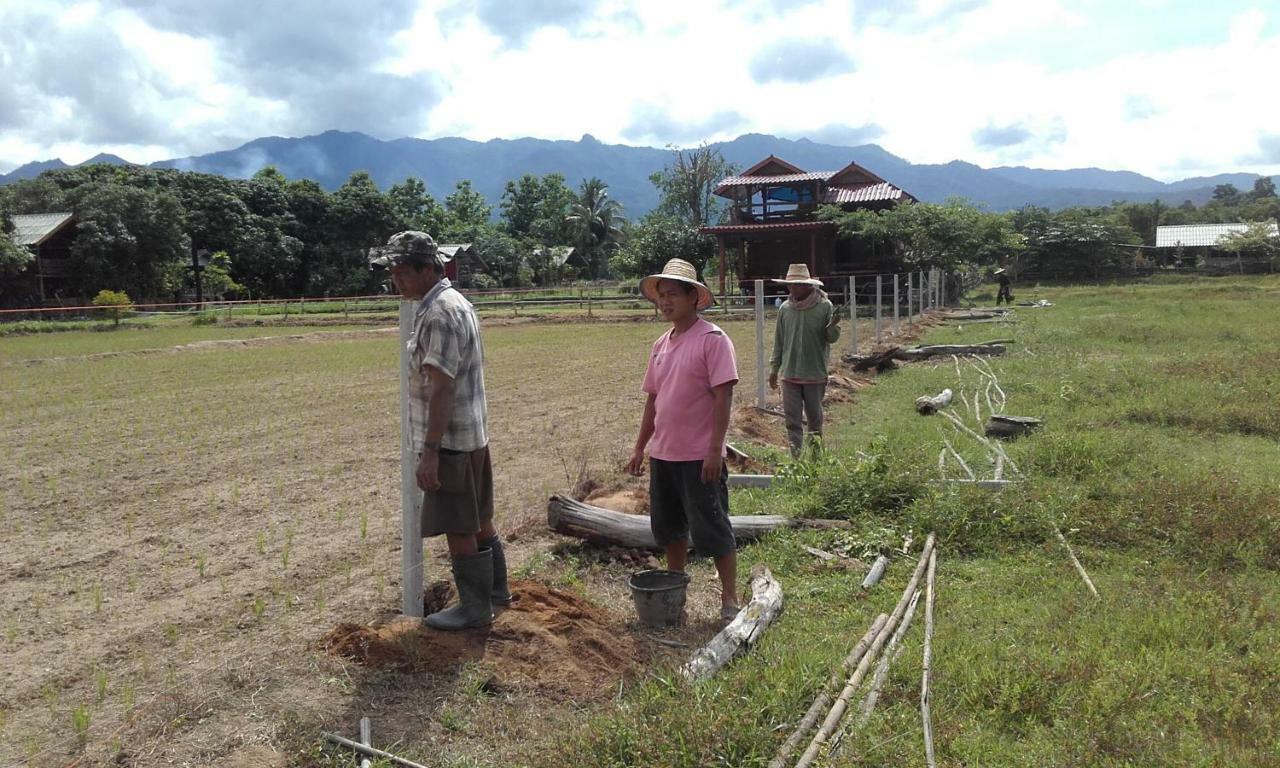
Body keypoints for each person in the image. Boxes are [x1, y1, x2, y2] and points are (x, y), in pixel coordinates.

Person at [369, 231, 509, 631]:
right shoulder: (456, 303)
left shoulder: (439, 314)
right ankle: (496, 593)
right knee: (479, 517)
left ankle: (474, 608)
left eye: (399, 272)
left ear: (425, 269)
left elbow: (441, 387)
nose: (394, 280)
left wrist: (429, 450)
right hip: (471, 433)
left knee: (459, 524)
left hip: (449, 441)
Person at [626, 258, 741, 620]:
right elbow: (653, 399)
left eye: (673, 294)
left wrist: (714, 450)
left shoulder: (713, 340)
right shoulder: (661, 344)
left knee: (713, 526)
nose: (665, 302)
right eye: (661, 296)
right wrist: (639, 447)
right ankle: (675, 593)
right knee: (669, 528)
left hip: (698, 456)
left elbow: (724, 398)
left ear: (694, 297)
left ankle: (729, 599)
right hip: (664, 455)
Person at [768, 263, 841, 458]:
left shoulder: (825, 306)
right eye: (790, 285)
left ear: (808, 286)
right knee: (792, 421)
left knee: (815, 422)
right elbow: (779, 341)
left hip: (814, 374)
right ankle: (796, 459)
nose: (792, 288)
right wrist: (774, 369)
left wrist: (833, 326)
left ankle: (816, 460)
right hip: (789, 374)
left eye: (797, 284)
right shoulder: (785, 309)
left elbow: (831, 338)